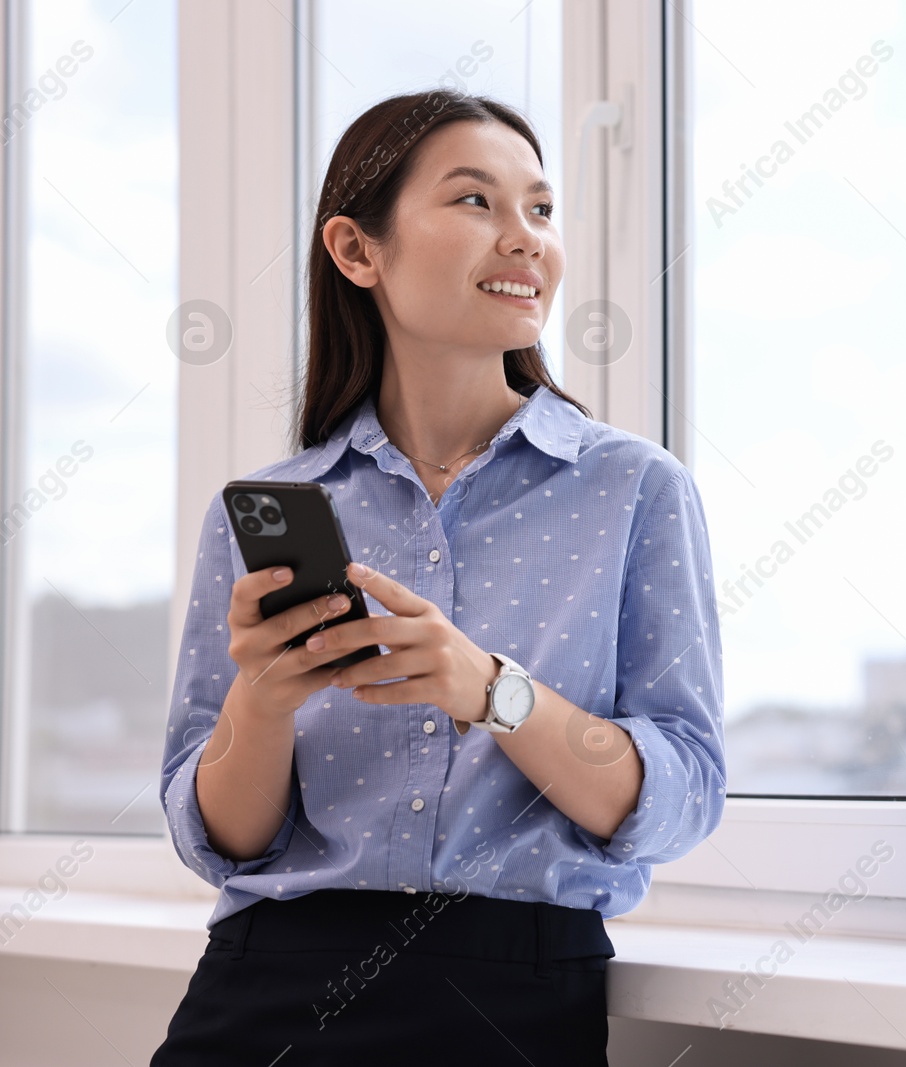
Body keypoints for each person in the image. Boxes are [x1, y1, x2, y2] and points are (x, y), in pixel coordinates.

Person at [151, 89, 726, 1065]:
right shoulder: (266, 507)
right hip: (264, 982)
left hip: (512, 989)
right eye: (475, 201)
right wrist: (264, 698)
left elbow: (679, 795)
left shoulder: (634, 488)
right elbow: (223, 838)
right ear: (356, 250)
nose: (524, 239)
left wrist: (493, 691)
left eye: (540, 209)